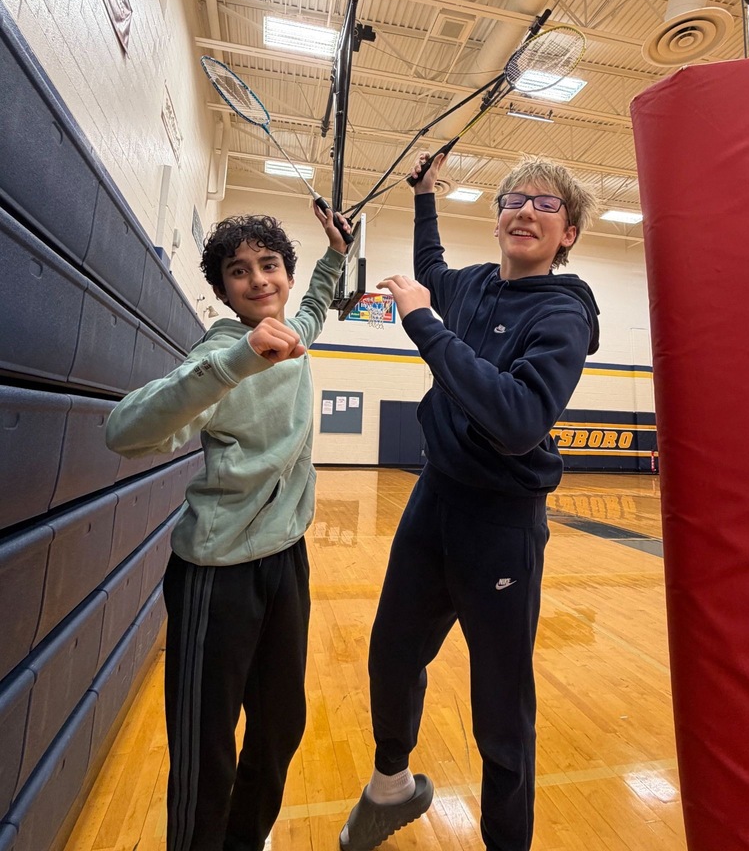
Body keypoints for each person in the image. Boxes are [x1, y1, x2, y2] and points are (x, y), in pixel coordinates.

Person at [340, 152, 599, 851]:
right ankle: (391, 786)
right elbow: (431, 266)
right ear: (497, 220)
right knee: (391, 654)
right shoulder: (471, 285)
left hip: (502, 523)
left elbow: (517, 422)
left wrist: (426, 326)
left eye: (547, 205)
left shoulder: (563, 315)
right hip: (435, 502)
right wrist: (424, 195)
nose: (525, 210)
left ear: (568, 233)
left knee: (499, 711)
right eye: (514, 200)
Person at [106, 206, 348, 851]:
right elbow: (125, 432)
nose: (258, 279)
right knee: (205, 749)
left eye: (269, 265)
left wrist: (334, 252)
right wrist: (235, 361)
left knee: (278, 732)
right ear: (222, 289)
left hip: (285, 562)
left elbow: (316, 307)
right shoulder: (219, 358)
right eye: (239, 272)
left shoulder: (292, 331)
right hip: (216, 576)